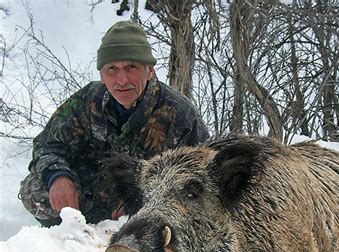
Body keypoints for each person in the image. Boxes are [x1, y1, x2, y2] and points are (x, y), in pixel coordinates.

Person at [19, 21, 209, 227]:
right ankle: (66, 240)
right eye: (112, 69)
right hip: (87, 203)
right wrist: (58, 178)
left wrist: (145, 205)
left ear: (150, 71)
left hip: (148, 213)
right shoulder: (87, 100)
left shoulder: (180, 114)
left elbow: (204, 181)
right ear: (101, 74)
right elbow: (46, 146)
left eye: (131, 67)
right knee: (35, 188)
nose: (121, 80)